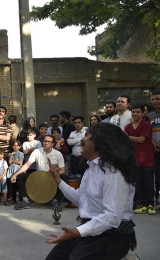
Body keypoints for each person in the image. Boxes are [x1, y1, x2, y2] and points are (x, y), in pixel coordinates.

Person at [45, 123, 138, 260]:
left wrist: (77, 231)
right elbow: (81, 200)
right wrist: (57, 179)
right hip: (90, 229)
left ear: (101, 142)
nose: (82, 139)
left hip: (111, 235)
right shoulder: (91, 168)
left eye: (88, 135)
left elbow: (111, 217)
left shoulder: (114, 172)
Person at [12, 135, 65, 210]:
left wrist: (55, 173)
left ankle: (56, 201)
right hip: (38, 178)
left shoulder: (58, 154)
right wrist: (15, 175)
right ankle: (25, 201)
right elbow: (27, 164)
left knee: (64, 177)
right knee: (21, 176)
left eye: (48, 141)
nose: (46, 143)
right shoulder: (37, 151)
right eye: (45, 141)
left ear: (52, 144)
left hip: (52, 178)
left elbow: (62, 170)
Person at [125, 105, 156, 215]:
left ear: (143, 113)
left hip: (147, 159)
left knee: (149, 184)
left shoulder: (146, 125)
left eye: (138, 112)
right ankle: (143, 205)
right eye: (133, 112)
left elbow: (141, 140)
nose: (135, 114)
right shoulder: (128, 127)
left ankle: (151, 205)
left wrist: (125, 136)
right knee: (138, 184)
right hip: (134, 159)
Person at [148, 89, 160, 206]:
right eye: (153, 99)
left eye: (157, 99)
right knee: (157, 177)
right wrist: (152, 143)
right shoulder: (148, 116)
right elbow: (146, 133)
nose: (155, 101)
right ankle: (156, 200)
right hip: (154, 151)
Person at [7, 140, 24, 204]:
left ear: (19, 147)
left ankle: (21, 199)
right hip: (12, 172)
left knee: (19, 186)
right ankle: (13, 199)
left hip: (18, 171)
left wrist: (13, 161)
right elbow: (9, 162)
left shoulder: (21, 153)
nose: (15, 147)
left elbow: (20, 162)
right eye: (14, 145)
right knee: (13, 187)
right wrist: (11, 155)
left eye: (17, 146)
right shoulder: (10, 154)